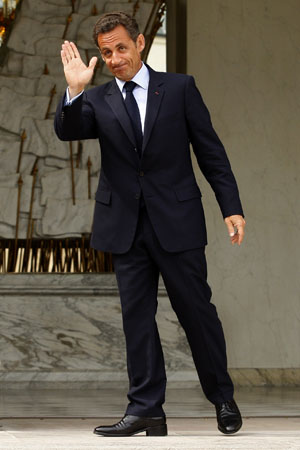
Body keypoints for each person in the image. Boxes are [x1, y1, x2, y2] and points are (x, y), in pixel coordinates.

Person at [55, 11, 246, 437]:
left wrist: (231, 206)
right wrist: (74, 90)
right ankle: (146, 409)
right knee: (136, 319)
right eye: (106, 53)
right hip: (125, 226)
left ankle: (223, 398)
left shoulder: (179, 88)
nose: (115, 58)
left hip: (176, 220)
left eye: (121, 48)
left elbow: (210, 151)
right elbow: (67, 132)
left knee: (197, 312)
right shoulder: (99, 99)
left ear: (140, 43)